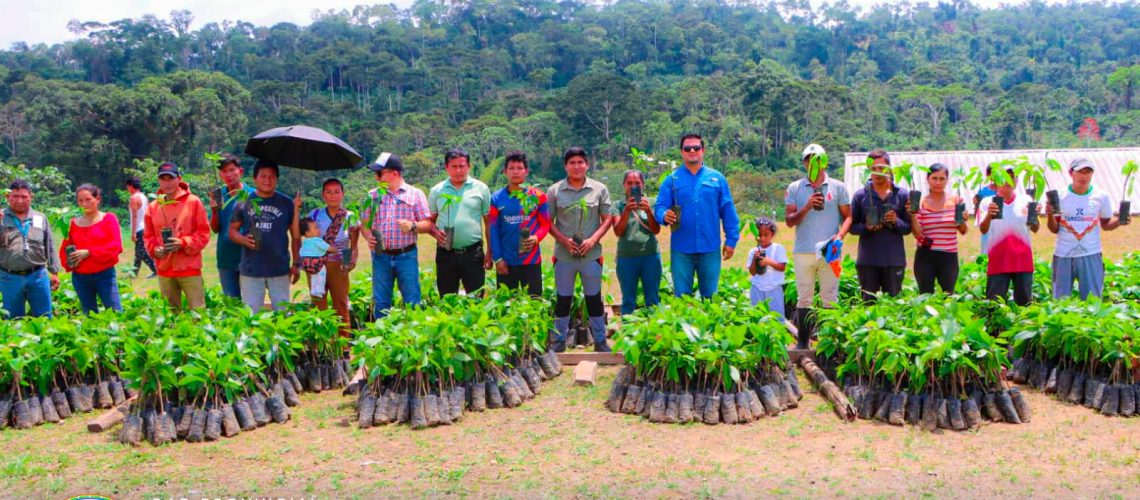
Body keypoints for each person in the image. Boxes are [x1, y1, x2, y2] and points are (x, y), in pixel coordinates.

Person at [654, 133, 741, 299]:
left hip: (710, 248)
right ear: (682, 152)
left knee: (710, 298)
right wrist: (664, 215)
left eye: (696, 148)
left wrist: (731, 241)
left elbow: (728, 211)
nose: (692, 151)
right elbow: (659, 206)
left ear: (703, 150)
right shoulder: (672, 180)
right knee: (682, 298)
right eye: (688, 148)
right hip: (681, 249)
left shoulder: (717, 179)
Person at [784, 144, 852, 348]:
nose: (812, 163)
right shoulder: (794, 188)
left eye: (816, 159)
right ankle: (803, 343)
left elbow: (848, 217)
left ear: (824, 162)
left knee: (830, 298)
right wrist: (807, 206)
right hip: (803, 250)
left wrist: (839, 236)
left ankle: (828, 344)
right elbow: (789, 221)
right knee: (804, 298)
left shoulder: (838, 187)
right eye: (808, 159)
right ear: (804, 162)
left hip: (831, 250)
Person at [548, 147, 613, 352]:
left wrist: (592, 240)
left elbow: (607, 219)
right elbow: (547, 222)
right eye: (572, 163)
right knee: (563, 299)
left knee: (593, 298)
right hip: (564, 255)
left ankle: (600, 341)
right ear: (565, 166)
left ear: (587, 164)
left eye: (580, 162)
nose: (576, 167)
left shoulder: (599, 189)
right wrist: (564, 240)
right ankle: (558, 343)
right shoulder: (555, 191)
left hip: (591, 255)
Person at [361, 153, 433, 319]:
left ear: (394, 173)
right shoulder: (372, 196)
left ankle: (412, 333)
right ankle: (382, 333)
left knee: (412, 300)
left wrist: (413, 226)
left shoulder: (415, 194)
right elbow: (364, 223)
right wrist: (368, 237)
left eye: (379, 173)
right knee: (381, 302)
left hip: (406, 255)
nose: (376, 177)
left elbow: (427, 224)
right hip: (381, 256)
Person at [228, 160, 300, 312]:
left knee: (283, 313)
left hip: (279, 268)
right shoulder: (244, 201)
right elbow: (232, 231)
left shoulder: (286, 203)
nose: (267, 180)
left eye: (272, 176)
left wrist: (296, 264)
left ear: (277, 179)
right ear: (255, 179)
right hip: (251, 269)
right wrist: (244, 240)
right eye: (263, 176)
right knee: (252, 315)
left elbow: (296, 236)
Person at [1046, 158, 1123, 300]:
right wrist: (1049, 215)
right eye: (1080, 172)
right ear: (1071, 173)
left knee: (1092, 300)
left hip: (1091, 253)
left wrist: (1119, 221)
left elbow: (1106, 224)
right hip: (1064, 254)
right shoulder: (1060, 196)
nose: (1084, 176)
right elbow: (1054, 229)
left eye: (1088, 172)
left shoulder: (1101, 196)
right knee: (1061, 300)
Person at [143, 162, 211, 313]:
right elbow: (148, 236)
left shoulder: (193, 202)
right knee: (170, 314)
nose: (167, 183)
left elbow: (204, 233)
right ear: (158, 180)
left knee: (198, 312)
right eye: (163, 179)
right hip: (165, 269)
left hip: (189, 268)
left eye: (171, 178)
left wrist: (183, 242)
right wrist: (155, 250)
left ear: (179, 179)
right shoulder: (153, 206)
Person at [428, 148, 493, 296]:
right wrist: (436, 233)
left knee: (476, 298)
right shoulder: (437, 190)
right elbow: (430, 221)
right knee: (447, 298)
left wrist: (490, 251)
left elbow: (488, 222)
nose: (458, 170)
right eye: (454, 166)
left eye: (462, 166)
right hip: (446, 253)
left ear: (469, 166)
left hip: (473, 252)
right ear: (446, 167)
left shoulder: (481, 189)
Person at [849, 149, 911, 302]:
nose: (878, 172)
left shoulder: (902, 195)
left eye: (881, 168)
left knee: (894, 305)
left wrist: (895, 221)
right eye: (874, 168)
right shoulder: (860, 196)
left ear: (889, 168)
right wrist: (866, 228)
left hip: (894, 261)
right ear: (868, 170)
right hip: (868, 261)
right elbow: (851, 227)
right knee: (868, 305)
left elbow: (908, 228)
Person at [489, 151, 551, 297]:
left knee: (534, 302)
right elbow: (493, 230)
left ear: (526, 171)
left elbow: (546, 225)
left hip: (531, 260)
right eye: (511, 168)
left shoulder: (538, 196)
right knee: (505, 303)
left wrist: (536, 238)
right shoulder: (496, 198)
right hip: (506, 261)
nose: (515, 172)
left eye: (519, 168)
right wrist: (498, 258)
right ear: (505, 172)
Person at [303, 178, 359, 334]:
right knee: (318, 306)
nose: (333, 196)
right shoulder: (314, 215)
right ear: (323, 195)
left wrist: (349, 264)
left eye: (336, 192)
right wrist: (295, 209)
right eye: (328, 192)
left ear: (342, 194)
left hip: (338, 266)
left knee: (341, 305)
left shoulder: (350, 217)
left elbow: (352, 246)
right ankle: (322, 343)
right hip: (316, 267)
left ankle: (342, 344)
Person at [978, 166, 1039, 306]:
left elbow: (1035, 228)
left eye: (1011, 177)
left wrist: (1034, 215)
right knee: (994, 306)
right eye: (1003, 178)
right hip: (998, 260)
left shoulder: (1026, 199)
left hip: (1022, 261)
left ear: (1016, 181)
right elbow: (983, 229)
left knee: (1025, 306)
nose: (1007, 181)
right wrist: (989, 215)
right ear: (995, 181)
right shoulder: (987, 202)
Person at [0, 180, 61, 318]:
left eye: (24, 196)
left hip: (37, 276)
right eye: (15, 196)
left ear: (31, 197)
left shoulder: (40, 217)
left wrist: (55, 272)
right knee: (12, 319)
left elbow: (50, 245)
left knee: (44, 317)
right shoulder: (1, 217)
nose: (19, 201)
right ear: (7, 197)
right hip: (9, 277)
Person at [60, 184, 123, 313]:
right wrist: (70, 261)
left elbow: (116, 246)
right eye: (80, 200)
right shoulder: (72, 223)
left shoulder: (108, 219)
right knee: (89, 314)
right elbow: (65, 249)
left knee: (115, 312)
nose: (84, 204)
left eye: (88, 199)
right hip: (80, 278)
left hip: (105, 275)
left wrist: (89, 252)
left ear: (97, 199)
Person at [910, 163, 969, 294]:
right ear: (928, 179)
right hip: (925, 255)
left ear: (947, 180)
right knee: (925, 295)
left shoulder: (956, 201)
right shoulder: (920, 202)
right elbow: (917, 234)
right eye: (934, 178)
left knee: (948, 294)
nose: (938, 182)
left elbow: (963, 230)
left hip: (949, 256)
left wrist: (962, 219)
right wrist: (912, 214)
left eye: (942, 179)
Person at [612, 169, 661, 314]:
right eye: (629, 183)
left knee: (652, 299)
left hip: (650, 256)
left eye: (637, 183)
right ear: (624, 185)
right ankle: (628, 326)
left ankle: (653, 326)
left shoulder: (652, 203)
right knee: (628, 300)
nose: (633, 186)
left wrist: (648, 212)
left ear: (643, 185)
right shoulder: (618, 205)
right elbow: (618, 232)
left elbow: (656, 230)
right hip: (626, 258)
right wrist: (627, 211)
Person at [208, 153, 255, 299]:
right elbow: (215, 228)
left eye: (232, 170)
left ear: (240, 171)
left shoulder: (252, 194)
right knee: (231, 302)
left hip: (248, 257)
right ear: (220, 175)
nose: (228, 175)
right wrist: (214, 211)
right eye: (224, 171)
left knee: (250, 301)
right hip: (225, 258)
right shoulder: (218, 195)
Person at [746, 217, 788, 316]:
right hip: (757, 288)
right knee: (758, 316)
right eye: (759, 235)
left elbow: (782, 267)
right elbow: (752, 272)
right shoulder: (753, 251)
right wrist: (755, 258)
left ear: (772, 235)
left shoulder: (778, 249)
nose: (762, 238)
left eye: (766, 235)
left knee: (776, 317)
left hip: (774, 289)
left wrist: (768, 261)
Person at [125, 177, 156, 278]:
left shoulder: (133, 198)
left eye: (127, 187)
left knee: (141, 252)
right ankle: (134, 273)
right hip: (144, 226)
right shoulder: (143, 197)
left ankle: (156, 269)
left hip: (139, 228)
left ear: (130, 186)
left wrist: (133, 232)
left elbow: (134, 216)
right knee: (138, 252)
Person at [297, 216, 332, 299]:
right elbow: (326, 247)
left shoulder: (305, 241)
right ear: (307, 233)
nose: (319, 230)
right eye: (316, 228)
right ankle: (319, 289)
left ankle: (314, 289)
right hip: (316, 262)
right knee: (321, 273)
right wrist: (334, 250)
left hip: (306, 263)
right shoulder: (316, 240)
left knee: (314, 276)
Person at [974, 166, 998, 255]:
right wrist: (976, 204)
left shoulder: (1003, 190)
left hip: (1000, 225)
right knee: (987, 251)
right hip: (987, 225)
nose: (994, 176)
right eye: (991, 173)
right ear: (987, 175)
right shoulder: (983, 191)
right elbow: (977, 212)